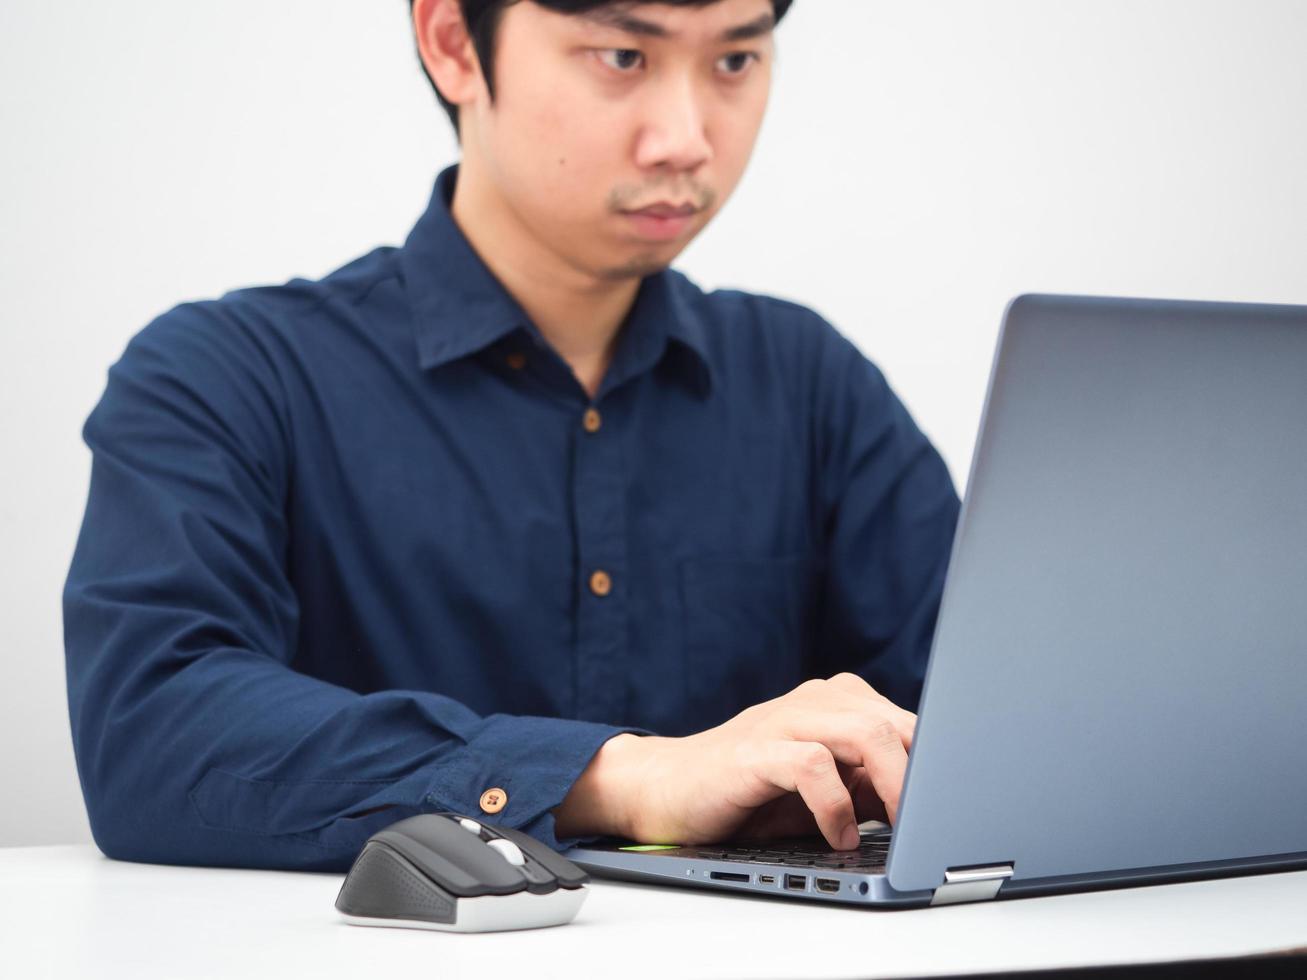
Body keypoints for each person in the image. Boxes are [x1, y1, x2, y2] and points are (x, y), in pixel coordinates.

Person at [63, 0, 959, 872]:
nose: (687, 139)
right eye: (623, 56)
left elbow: (988, 724)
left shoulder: (807, 384)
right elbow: (150, 731)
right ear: (453, 42)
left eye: (733, 59)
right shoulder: (227, 375)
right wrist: (623, 777)